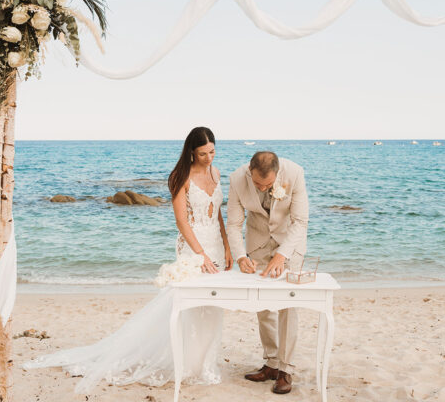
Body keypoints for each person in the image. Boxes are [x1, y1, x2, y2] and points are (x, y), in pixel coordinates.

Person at [23, 126, 232, 392]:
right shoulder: (180, 177)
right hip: (194, 248)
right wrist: (200, 254)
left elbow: (218, 214)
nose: (209, 158)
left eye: (212, 152)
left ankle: (205, 364)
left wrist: (227, 246)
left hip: (215, 243)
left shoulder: (216, 172)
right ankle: (186, 363)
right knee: (189, 307)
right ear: (191, 152)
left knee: (212, 306)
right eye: (203, 154)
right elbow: (181, 221)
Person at [226, 151, 309, 395]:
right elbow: (234, 224)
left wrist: (282, 255)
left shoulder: (295, 173)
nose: (262, 188)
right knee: (262, 306)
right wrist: (240, 256)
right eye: (257, 183)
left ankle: (285, 369)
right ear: (249, 171)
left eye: (268, 184)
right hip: (257, 244)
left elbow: (300, 221)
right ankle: (271, 363)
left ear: (278, 173)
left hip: (289, 245)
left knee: (288, 306)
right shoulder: (236, 179)